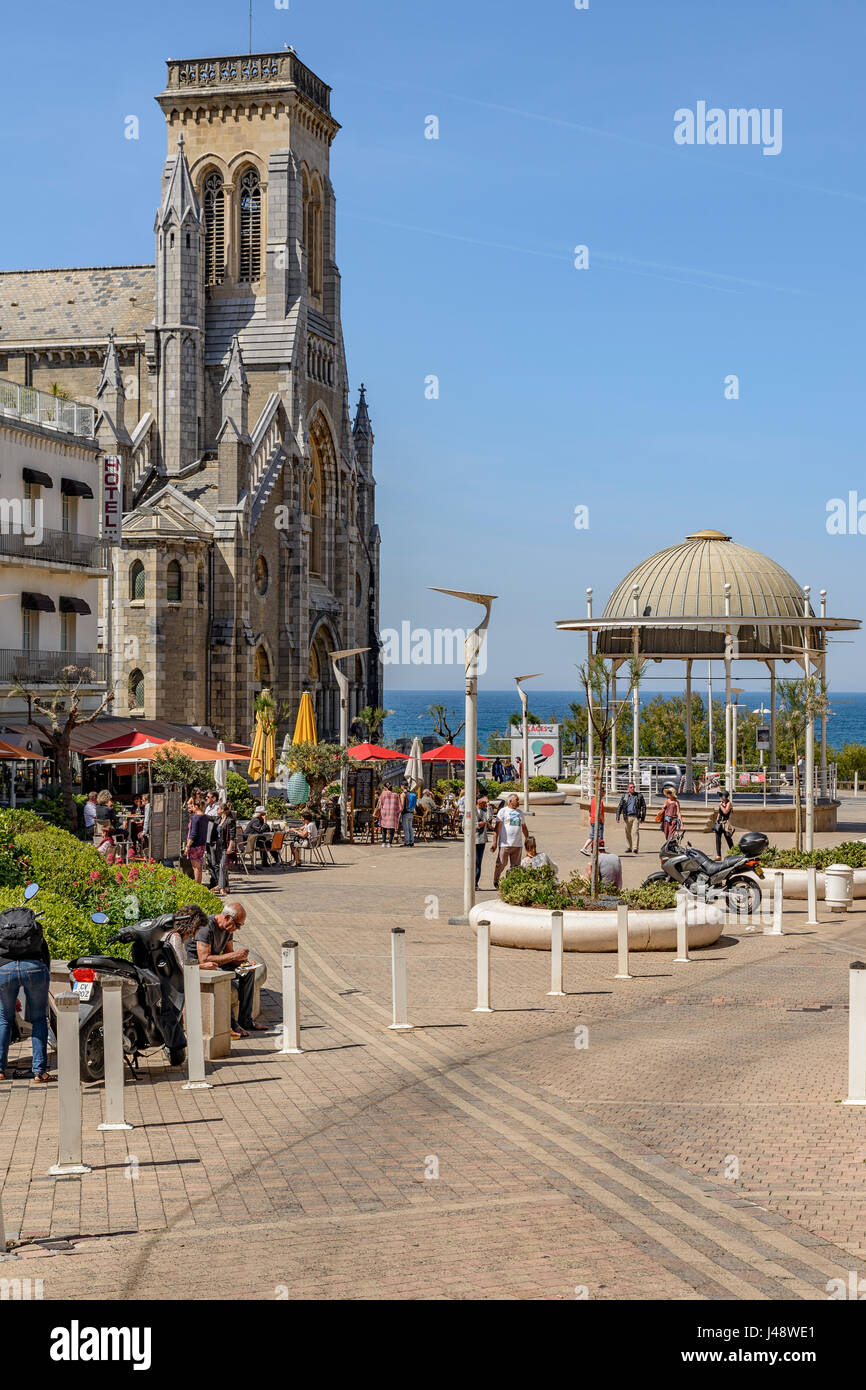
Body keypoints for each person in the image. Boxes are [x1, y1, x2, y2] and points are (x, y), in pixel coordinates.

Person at [188, 903, 268, 1040]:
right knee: (223, 978)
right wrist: (234, 956)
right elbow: (204, 959)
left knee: (248, 972)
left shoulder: (227, 929)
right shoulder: (206, 927)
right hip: (199, 967)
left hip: (214, 964)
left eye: (241, 925)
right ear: (226, 917)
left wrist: (244, 962)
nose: (238, 929)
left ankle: (246, 1021)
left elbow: (229, 954)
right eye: (237, 925)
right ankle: (232, 1025)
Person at [0, 891, 53, 1082]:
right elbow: (45, 957)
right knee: (39, 1018)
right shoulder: (33, 929)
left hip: (4, 971)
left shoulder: (3, 931)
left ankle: (0, 1070)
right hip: (35, 969)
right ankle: (39, 1072)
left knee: (4, 1018)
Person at [491, 793, 528, 888]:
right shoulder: (503, 811)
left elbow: (524, 827)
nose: (519, 802)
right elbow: (497, 828)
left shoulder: (520, 813)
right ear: (510, 801)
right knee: (502, 863)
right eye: (517, 800)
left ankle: (511, 883)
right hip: (505, 843)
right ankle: (496, 879)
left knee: (515, 867)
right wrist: (494, 842)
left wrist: (527, 839)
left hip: (517, 844)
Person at [208, 800, 237, 894]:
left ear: (223, 810)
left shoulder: (230, 821)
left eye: (219, 808)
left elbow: (232, 835)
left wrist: (230, 847)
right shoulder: (218, 819)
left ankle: (221, 888)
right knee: (219, 866)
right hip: (218, 845)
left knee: (222, 866)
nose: (217, 809)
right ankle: (226, 886)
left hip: (225, 845)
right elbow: (209, 818)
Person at [467, 790, 492, 888]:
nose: (485, 803)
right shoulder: (470, 810)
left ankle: (475, 883)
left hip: (481, 840)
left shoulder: (485, 811)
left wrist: (489, 806)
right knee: (472, 861)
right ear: (477, 800)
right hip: (472, 839)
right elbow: (465, 825)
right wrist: (478, 825)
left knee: (478, 862)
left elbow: (489, 818)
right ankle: (470, 882)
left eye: (486, 802)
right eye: (484, 801)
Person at [184, 793, 210, 883]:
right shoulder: (205, 817)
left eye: (192, 805)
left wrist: (187, 846)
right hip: (202, 844)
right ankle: (199, 885)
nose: (191, 807)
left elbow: (193, 834)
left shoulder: (195, 818)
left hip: (194, 845)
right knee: (198, 867)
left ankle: (197, 887)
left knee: (195, 867)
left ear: (196, 806)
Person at [616, 782, 646, 854]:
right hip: (627, 817)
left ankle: (635, 848)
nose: (633, 788)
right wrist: (618, 816)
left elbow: (644, 807)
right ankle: (629, 847)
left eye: (633, 787)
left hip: (636, 816)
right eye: (631, 787)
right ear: (628, 788)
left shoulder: (639, 796)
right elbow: (620, 806)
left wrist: (642, 818)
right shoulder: (624, 796)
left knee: (635, 832)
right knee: (627, 833)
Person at [714, 790, 734, 856]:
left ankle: (734, 853)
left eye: (721, 796)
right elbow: (719, 813)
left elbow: (725, 812)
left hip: (725, 824)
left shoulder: (729, 803)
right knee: (717, 840)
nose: (720, 797)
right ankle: (718, 855)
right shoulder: (721, 803)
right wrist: (716, 821)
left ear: (724, 797)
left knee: (728, 838)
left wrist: (721, 806)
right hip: (719, 823)